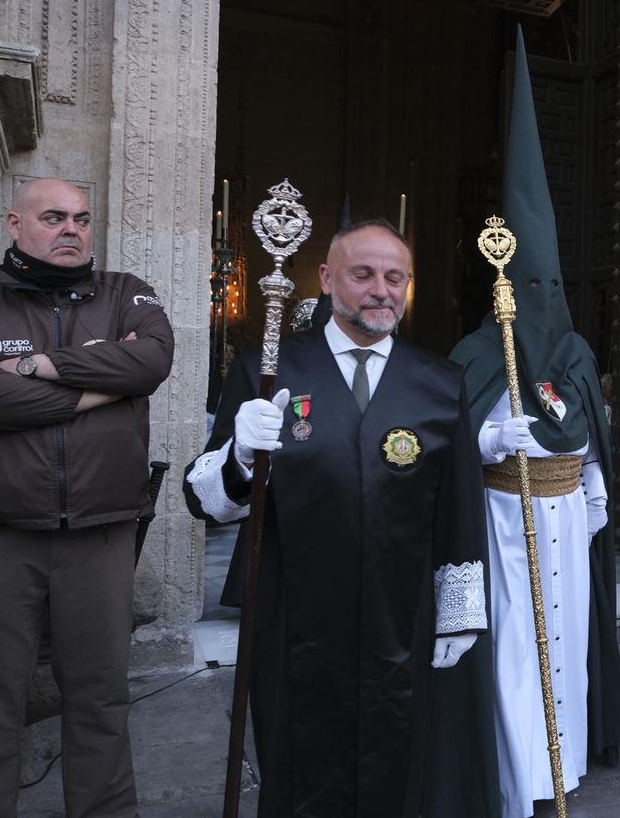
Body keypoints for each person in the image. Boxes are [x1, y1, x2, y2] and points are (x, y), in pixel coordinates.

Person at [183, 218, 498, 816]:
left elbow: (458, 505)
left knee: (398, 755)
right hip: (293, 609)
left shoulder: (438, 381)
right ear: (327, 279)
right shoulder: (266, 370)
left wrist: (460, 614)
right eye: (363, 274)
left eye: (394, 278)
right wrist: (240, 456)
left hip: (400, 612)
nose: (381, 290)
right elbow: (208, 503)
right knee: (300, 756)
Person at [448, 31, 620, 817]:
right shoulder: (475, 353)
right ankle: (518, 771)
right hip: (503, 515)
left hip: (565, 517)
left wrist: (592, 485)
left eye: (555, 280)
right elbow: (445, 442)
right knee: (518, 646)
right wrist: (488, 440)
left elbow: (593, 430)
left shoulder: (578, 350)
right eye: (534, 280)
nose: (546, 292)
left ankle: (564, 766)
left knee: (568, 644)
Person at [0, 178, 174, 818]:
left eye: (82, 219)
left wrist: (37, 365)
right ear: (14, 223)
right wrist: (98, 384)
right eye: (54, 217)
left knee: (100, 696)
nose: (72, 230)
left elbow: (150, 361)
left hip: (101, 531)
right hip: (0, 534)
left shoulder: (125, 293)